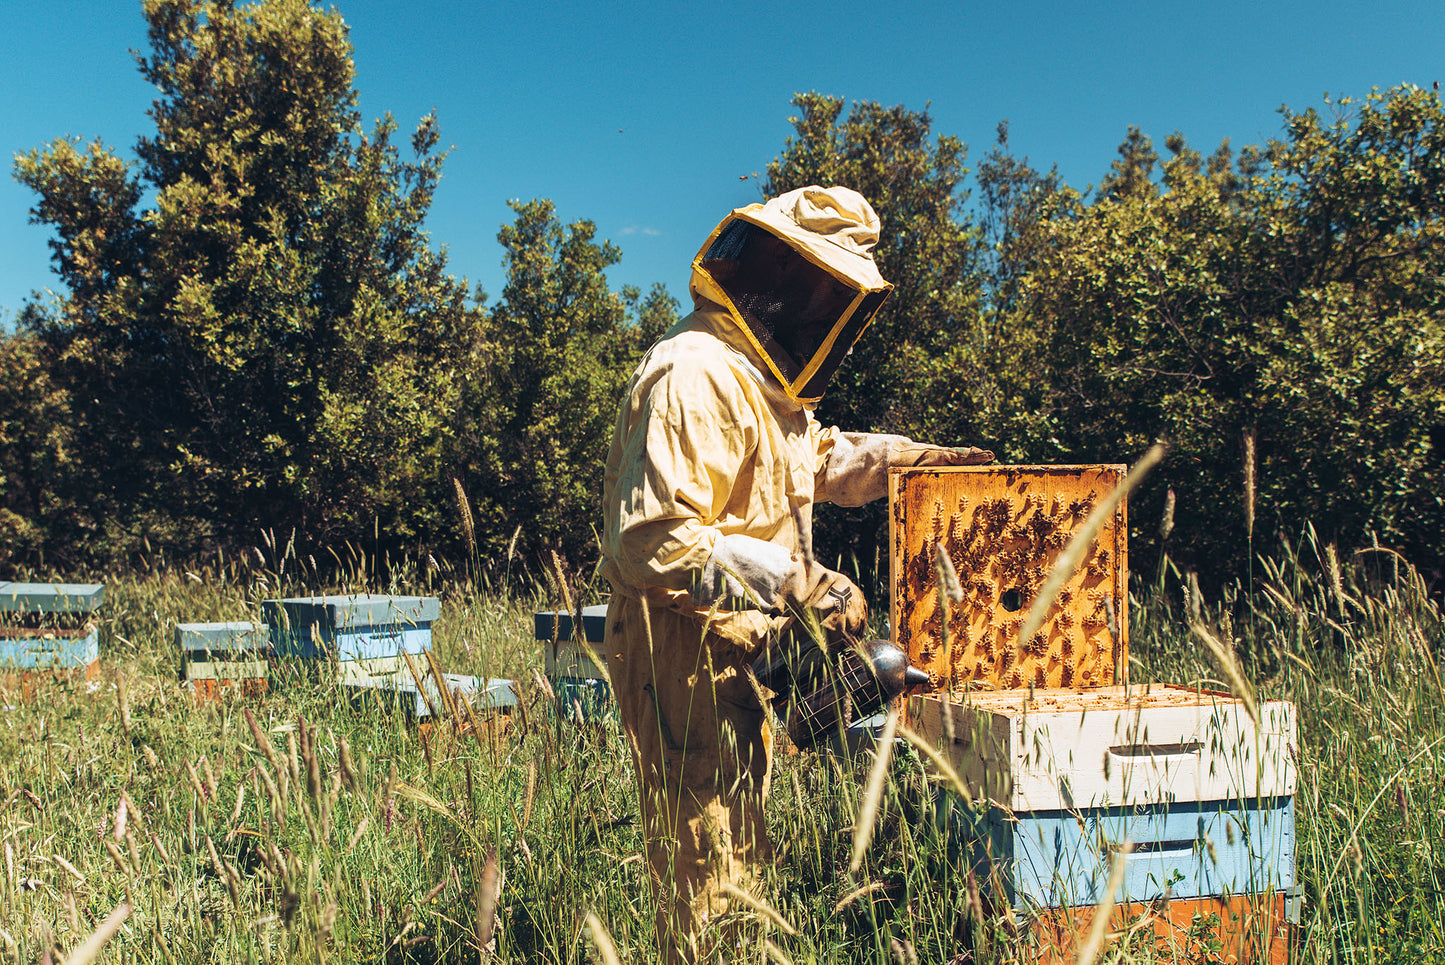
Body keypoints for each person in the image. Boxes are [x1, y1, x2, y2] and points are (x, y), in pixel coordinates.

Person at [599, 185, 992, 962]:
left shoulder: (762, 386)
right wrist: (797, 582)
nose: (817, 309)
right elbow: (648, 542)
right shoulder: (694, 372)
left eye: (832, 296)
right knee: (706, 874)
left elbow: (821, 458)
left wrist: (921, 463)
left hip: (736, 649)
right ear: (770, 271)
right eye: (811, 286)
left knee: (745, 857)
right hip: (679, 647)